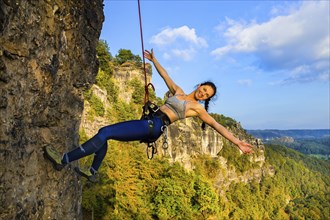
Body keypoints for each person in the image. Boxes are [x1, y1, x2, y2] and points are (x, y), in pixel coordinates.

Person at [45, 49, 254, 182]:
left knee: (105, 132)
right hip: (148, 122)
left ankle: (64, 159)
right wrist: (154, 60)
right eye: (204, 89)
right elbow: (166, 76)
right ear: (199, 85)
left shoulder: (196, 108)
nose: (203, 93)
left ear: (206, 98)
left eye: (207, 95)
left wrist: (238, 143)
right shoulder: (179, 91)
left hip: (154, 126)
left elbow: (218, 126)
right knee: (104, 134)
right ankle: (93, 171)